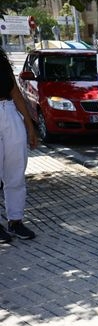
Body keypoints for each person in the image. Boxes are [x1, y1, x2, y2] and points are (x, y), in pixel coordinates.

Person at [0, 47, 39, 243]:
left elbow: (14, 90)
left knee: (15, 172)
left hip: (8, 110)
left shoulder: (1, 57)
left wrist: (29, 125)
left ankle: (15, 221)